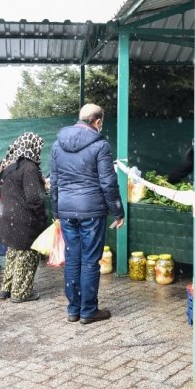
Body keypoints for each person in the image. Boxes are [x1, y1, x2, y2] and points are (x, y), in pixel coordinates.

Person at [50, 103, 124, 324]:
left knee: (73, 259)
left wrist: (56, 210)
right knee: (90, 260)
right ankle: (88, 310)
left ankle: (73, 309)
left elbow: (54, 181)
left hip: (66, 210)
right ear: (98, 122)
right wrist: (118, 211)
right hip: (91, 210)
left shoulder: (57, 145)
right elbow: (108, 183)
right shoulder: (101, 146)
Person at [0, 132, 47, 303]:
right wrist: (41, 216)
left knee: (13, 253)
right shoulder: (29, 167)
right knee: (27, 256)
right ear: (32, 147)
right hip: (25, 220)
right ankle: (21, 292)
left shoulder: (9, 166)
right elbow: (34, 198)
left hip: (8, 217)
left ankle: (7, 288)